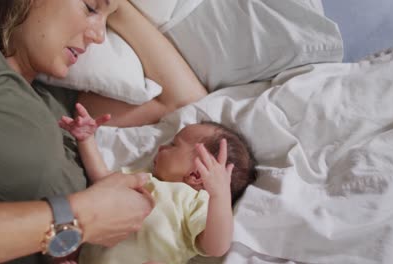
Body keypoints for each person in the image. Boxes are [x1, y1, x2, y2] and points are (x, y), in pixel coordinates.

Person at [0, 0, 207, 263]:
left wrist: (117, 7)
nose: (100, 36)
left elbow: (183, 101)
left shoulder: (61, 106)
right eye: (90, 7)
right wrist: (82, 218)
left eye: (105, 21)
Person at [58, 103, 258, 264]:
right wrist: (86, 140)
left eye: (174, 145)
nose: (161, 147)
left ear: (197, 174)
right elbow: (102, 179)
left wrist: (219, 195)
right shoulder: (141, 178)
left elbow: (217, 247)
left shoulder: (196, 201)